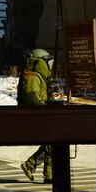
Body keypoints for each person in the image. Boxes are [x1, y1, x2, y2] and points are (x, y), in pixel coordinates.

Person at [18, 48, 55, 183]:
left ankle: (31, 165)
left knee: (50, 144)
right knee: (52, 144)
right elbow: (31, 97)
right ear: (40, 62)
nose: (50, 66)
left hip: (39, 115)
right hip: (37, 116)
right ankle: (48, 175)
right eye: (48, 63)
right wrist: (43, 111)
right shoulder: (32, 76)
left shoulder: (37, 75)